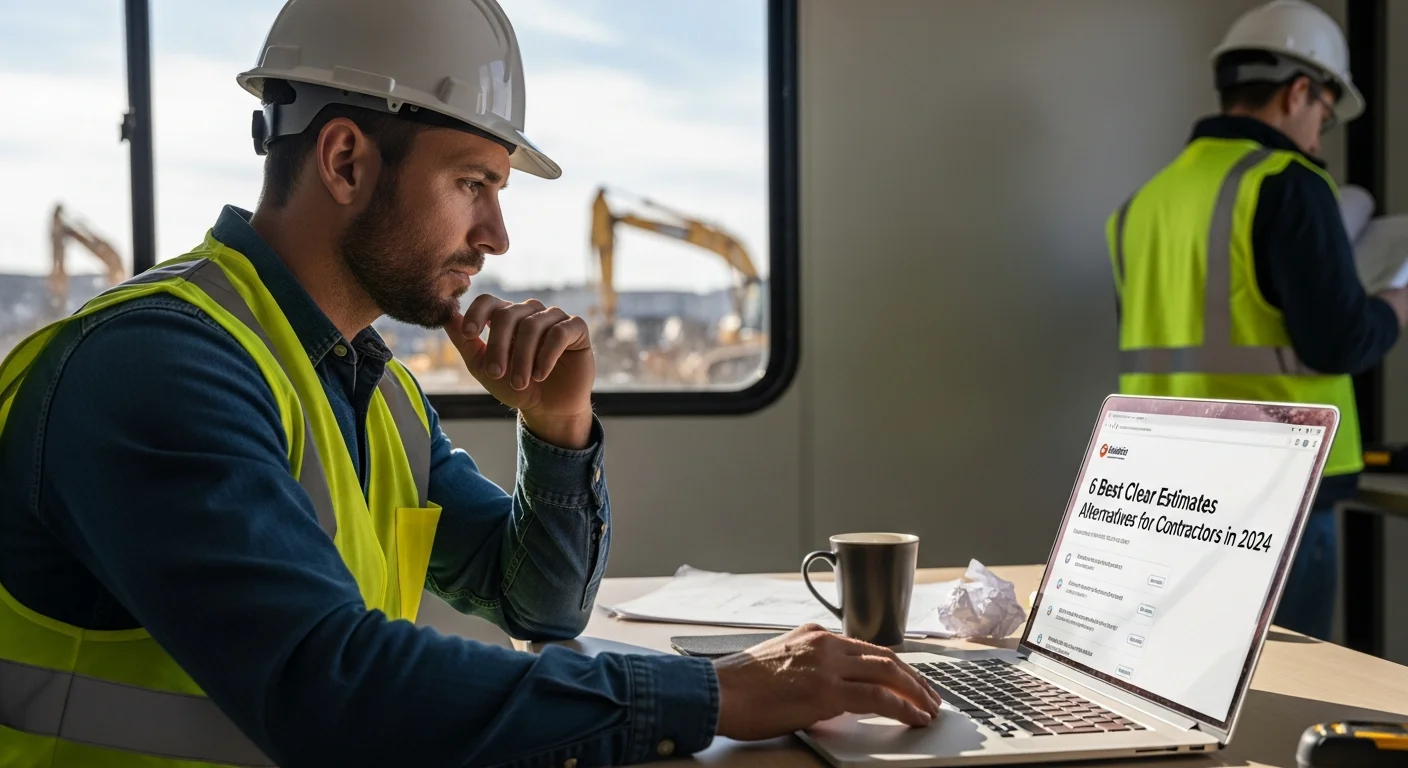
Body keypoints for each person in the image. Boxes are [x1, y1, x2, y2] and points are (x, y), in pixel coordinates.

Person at [0, 1, 943, 766]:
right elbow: (332, 688)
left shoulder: (371, 387)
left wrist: (559, 433)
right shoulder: (155, 370)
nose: (496, 236)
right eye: (473, 183)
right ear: (344, 160)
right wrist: (718, 693)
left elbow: (536, 603)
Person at [1107, 0, 1408, 641]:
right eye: (1323, 116)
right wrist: (1394, 308)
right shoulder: (1288, 182)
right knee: (1288, 684)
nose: (1318, 137)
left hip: (1163, 494)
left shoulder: (1143, 203)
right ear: (1300, 91)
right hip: (1282, 485)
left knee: (1189, 679)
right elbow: (1339, 340)